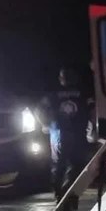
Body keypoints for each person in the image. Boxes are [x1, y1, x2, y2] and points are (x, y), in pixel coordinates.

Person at [37, 68, 93, 200]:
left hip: (59, 133)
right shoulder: (83, 92)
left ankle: (59, 194)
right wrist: (93, 128)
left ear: (61, 78)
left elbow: (38, 109)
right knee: (76, 165)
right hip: (78, 132)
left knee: (59, 165)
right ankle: (69, 192)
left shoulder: (53, 94)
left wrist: (45, 124)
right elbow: (92, 110)